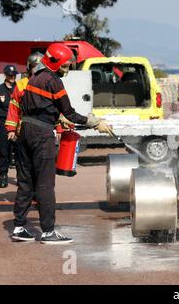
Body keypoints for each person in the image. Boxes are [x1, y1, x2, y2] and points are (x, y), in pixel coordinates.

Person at [11, 43, 112, 244]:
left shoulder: (34, 79)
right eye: (65, 66)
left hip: (25, 131)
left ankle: (19, 227)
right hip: (41, 135)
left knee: (25, 181)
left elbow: (37, 107)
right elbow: (70, 112)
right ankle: (48, 232)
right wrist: (94, 122)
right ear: (55, 63)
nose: (67, 70)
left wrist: (57, 118)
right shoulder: (53, 80)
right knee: (45, 184)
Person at [0, 65, 19, 188]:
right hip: (3, 123)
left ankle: (21, 177)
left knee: (20, 152)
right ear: (5, 75)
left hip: (17, 124)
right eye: (10, 75)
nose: (12, 76)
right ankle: (3, 176)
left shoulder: (20, 88)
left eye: (14, 74)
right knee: (4, 151)